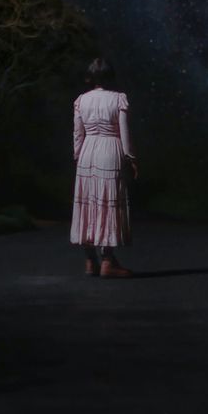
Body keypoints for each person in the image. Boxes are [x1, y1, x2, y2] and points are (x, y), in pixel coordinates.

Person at [71, 58, 137, 278]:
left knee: (88, 202)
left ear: (90, 78)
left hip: (88, 152)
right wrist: (130, 157)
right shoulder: (118, 99)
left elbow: (78, 134)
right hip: (110, 150)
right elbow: (124, 132)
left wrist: (77, 156)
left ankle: (90, 261)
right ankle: (107, 260)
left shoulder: (81, 100)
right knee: (108, 204)